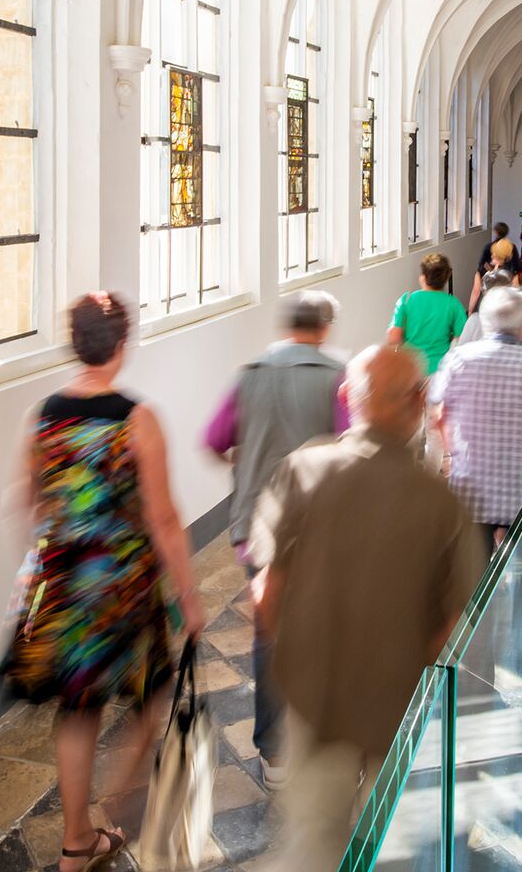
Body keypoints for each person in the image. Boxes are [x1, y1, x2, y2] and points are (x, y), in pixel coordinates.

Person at [249, 345, 481, 872]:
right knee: (391, 845)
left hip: (315, 699)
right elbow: (450, 632)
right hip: (397, 708)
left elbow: (265, 597)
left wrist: (304, 661)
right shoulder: (440, 503)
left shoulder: (302, 469)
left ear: (347, 398)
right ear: (420, 400)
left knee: (311, 843)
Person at [2, 292, 206, 872]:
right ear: (122, 344)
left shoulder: (42, 414)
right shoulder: (137, 419)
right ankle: (119, 802)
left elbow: (25, 501)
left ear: (76, 342)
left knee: (78, 709)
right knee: (152, 697)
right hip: (124, 586)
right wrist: (189, 598)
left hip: (64, 581)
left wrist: (38, 565)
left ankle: (76, 842)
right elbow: (163, 518)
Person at [202, 290, 346, 786]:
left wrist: (244, 468)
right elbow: (349, 449)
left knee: (269, 635)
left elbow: (214, 439)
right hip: (318, 528)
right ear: (323, 329)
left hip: (258, 526)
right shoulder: (335, 377)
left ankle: (274, 753)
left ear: (288, 328)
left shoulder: (250, 375)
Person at [429, 287, 522, 561]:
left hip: (470, 484)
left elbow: (439, 415)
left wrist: (454, 454)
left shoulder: (458, 359)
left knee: (472, 571)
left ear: (484, 321)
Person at [389, 252, 467, 374]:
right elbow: (461, 338)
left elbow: (393, 338)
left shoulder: (406, 300)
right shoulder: (453, 304)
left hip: (410, 369)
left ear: (423, 277)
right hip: (439, 370)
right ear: (446, 278)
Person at [458, 269, 514, 344]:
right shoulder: (515, 322)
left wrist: (470, 312)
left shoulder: (475, 320)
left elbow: (461, 346)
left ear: (484, 293)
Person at [467, 239, 515, 313]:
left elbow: (475, 293)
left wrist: (470, 312)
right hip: (504, 311)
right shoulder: (511, 273)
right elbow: (515, 295)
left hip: (485, 309)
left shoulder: (482, 270)